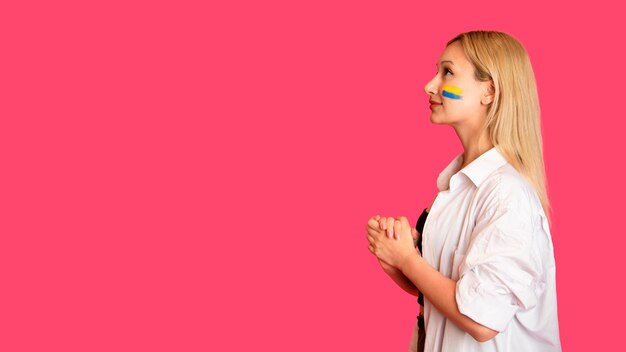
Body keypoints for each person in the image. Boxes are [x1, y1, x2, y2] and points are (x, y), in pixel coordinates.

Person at [365, 30, 561, 351]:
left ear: (489, 91)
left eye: (448, 72)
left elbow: (482, 319)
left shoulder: (506, 193)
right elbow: (452, 293)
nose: (430, 85)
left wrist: (406, 259)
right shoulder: (458, 185)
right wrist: (400, 258)